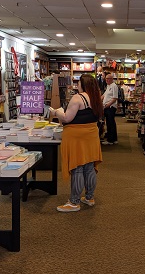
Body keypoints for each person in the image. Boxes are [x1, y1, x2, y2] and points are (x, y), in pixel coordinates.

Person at [50, 74, 104, 212]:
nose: (77, 85)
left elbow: (67, 118)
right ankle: (89, 197)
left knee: (77, 167)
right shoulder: (96, 97)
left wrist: (56, 112)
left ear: (83, 84)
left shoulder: (77, 98)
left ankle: (74, 202)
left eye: (78, 83)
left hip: (77, 137)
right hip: (91, 135)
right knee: (90, 166)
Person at [101, 73, 118, 145]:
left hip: (110, 107)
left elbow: (115, 98)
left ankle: (110, 140)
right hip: (107, 107)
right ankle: (113, 139)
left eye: (108, 79)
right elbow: (103, 95)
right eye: (106, 79)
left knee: (110, 123)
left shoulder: (114, 86)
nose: (107, 80)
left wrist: (108, 105)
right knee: (110, 123)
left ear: (112, 79)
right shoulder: (108, 86)